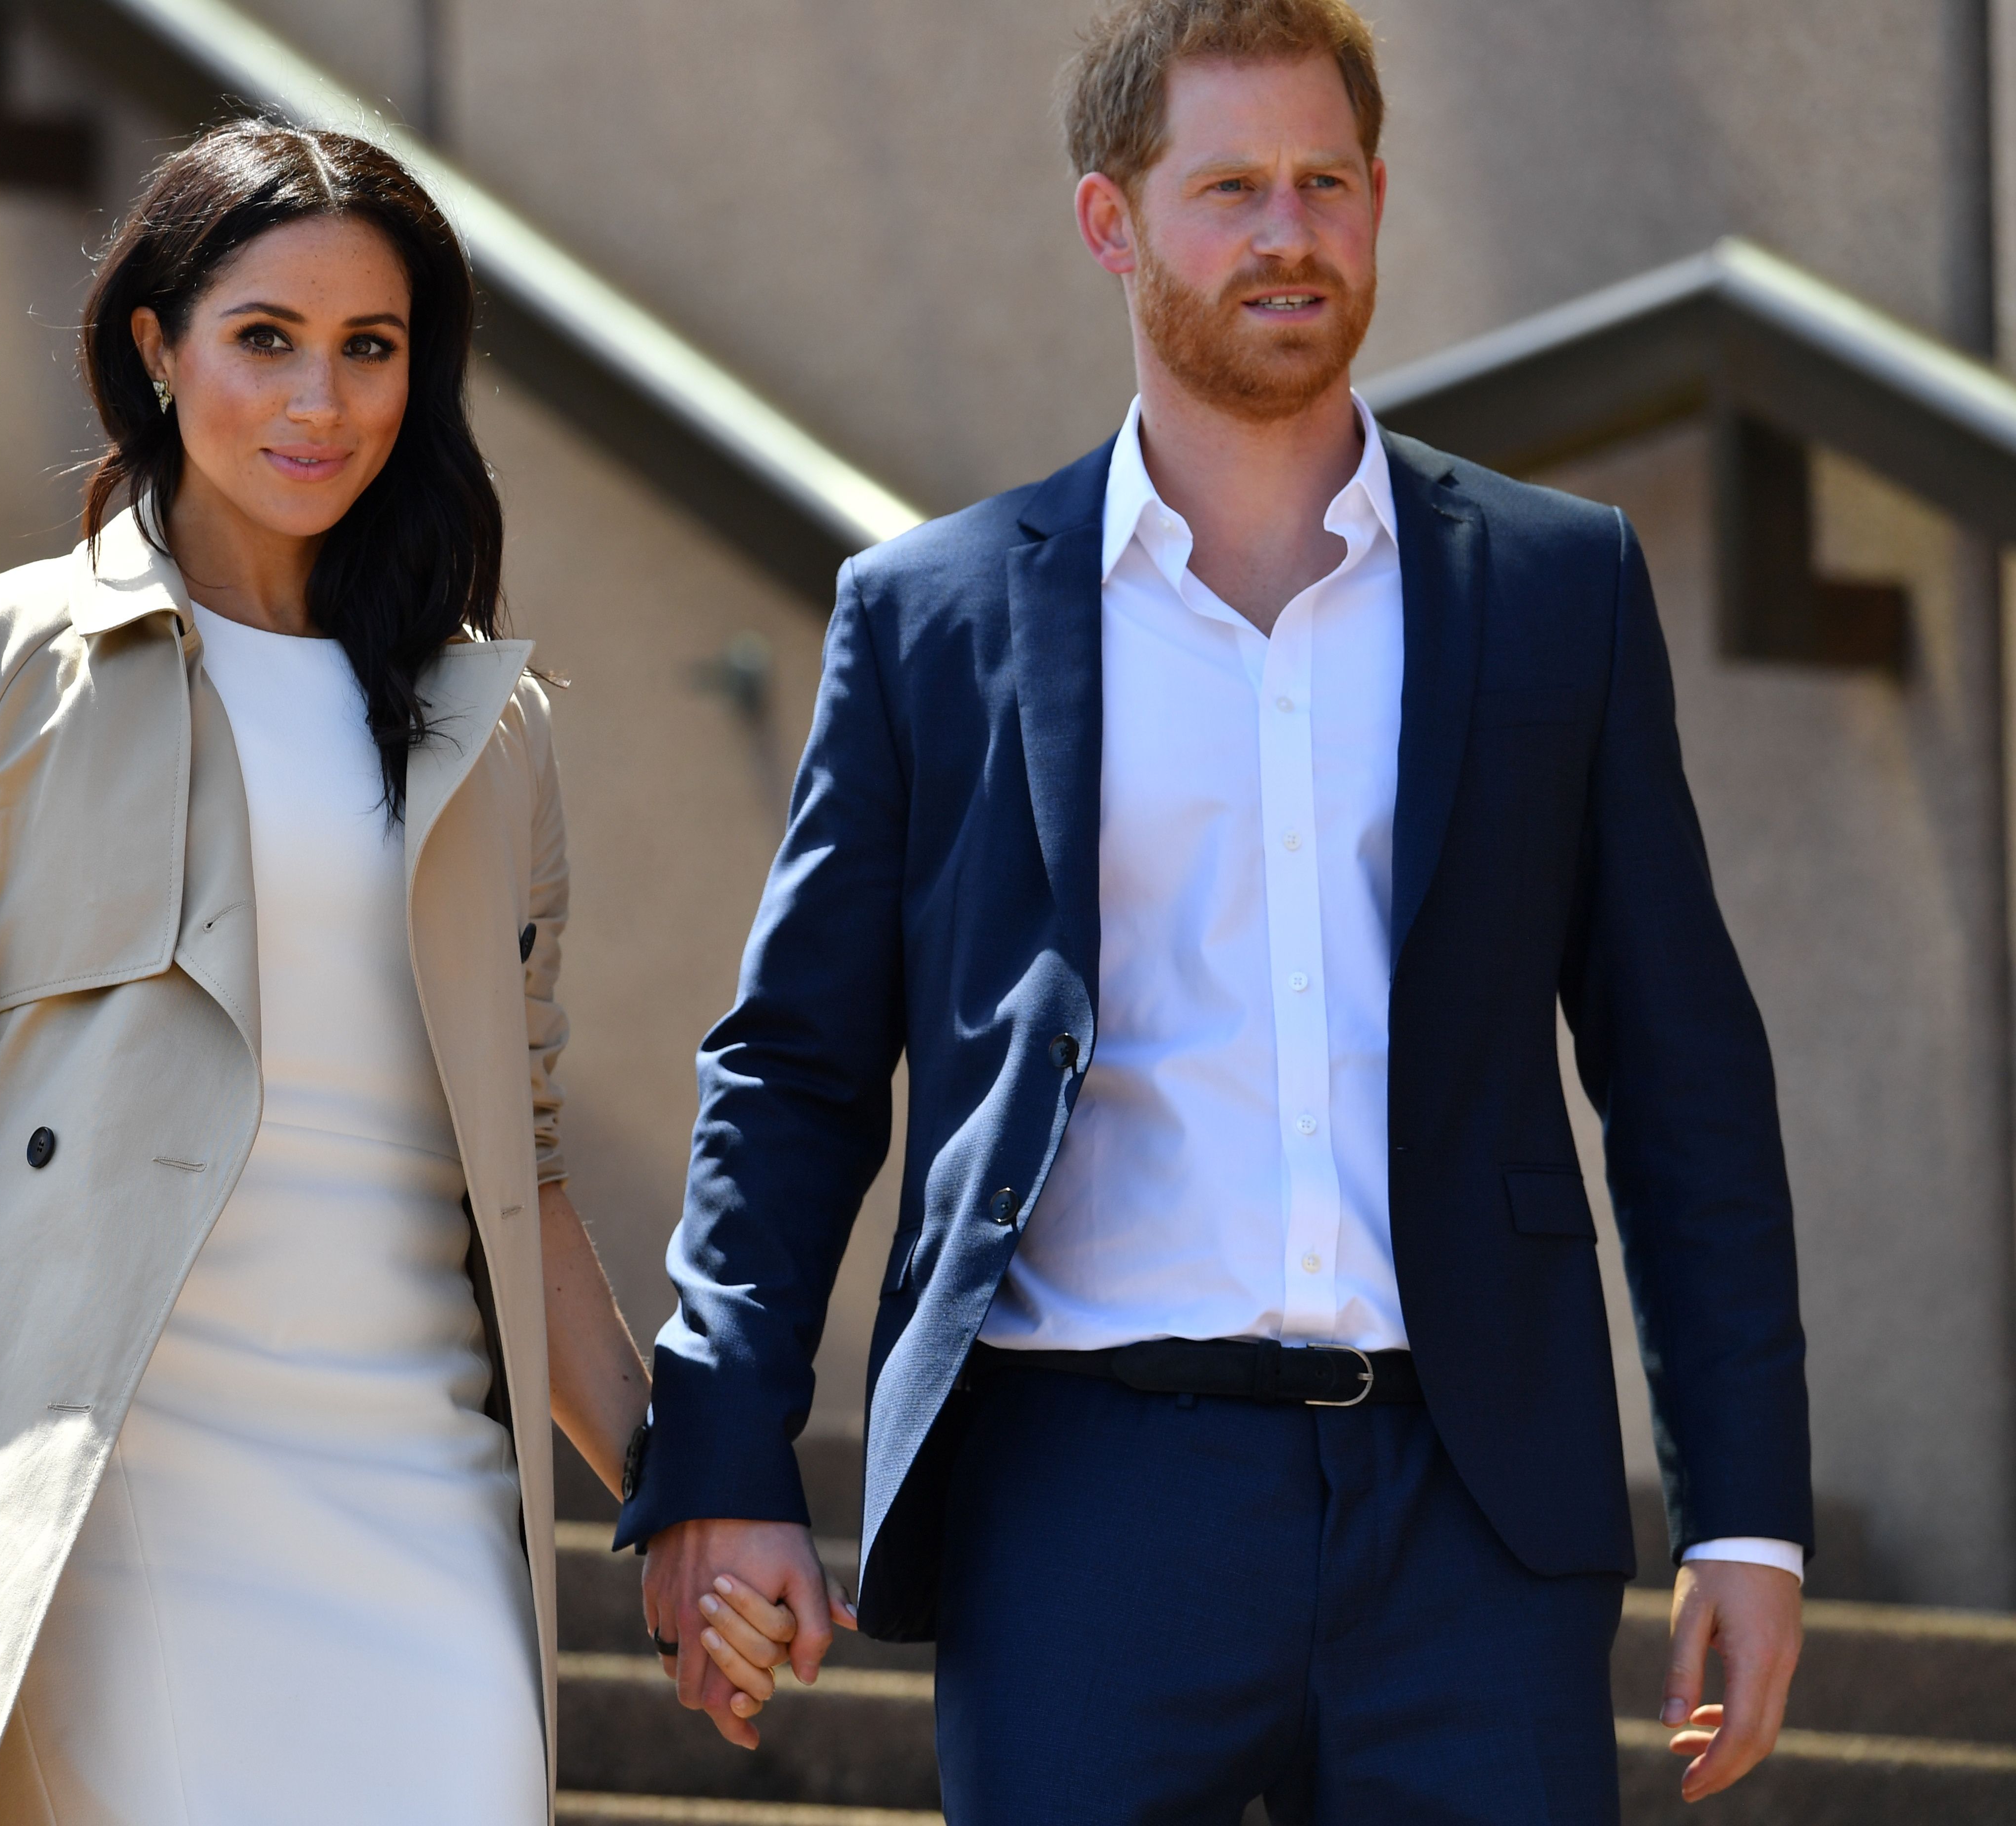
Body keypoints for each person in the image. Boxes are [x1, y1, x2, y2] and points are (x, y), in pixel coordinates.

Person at [623, 1, 1812, 1817]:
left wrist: (1745, 1511)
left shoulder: (1559, 590)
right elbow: (791, 1071)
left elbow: (1682, 1078)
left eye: (1327, 182)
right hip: (1082, 1508)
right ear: (1111, 221)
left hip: (1472, 1514)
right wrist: (723, 1456)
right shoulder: (929, 618)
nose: (1289, 232)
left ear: (1381, 199)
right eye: (1232, 185)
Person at [0, 122, 647, 1825]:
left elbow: (515, 1164)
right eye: (266, 340)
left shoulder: (490, 727)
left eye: (369, 350)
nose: (322, 402)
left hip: (421, 1487)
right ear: (158, 352)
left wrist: (680, 1493)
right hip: (111, 1485)